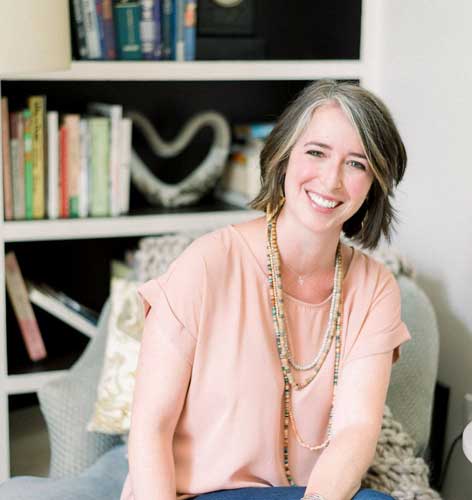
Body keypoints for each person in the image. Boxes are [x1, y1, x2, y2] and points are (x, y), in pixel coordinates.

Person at [0, 79, 410, 500]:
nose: (331, 179)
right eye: (316, 152)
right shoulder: (206, 263)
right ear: (285, 156)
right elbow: (151, 426)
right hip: (190, 493)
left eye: (356, 164)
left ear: (374, 182)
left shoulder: (375, 288)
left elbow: (356, 429)